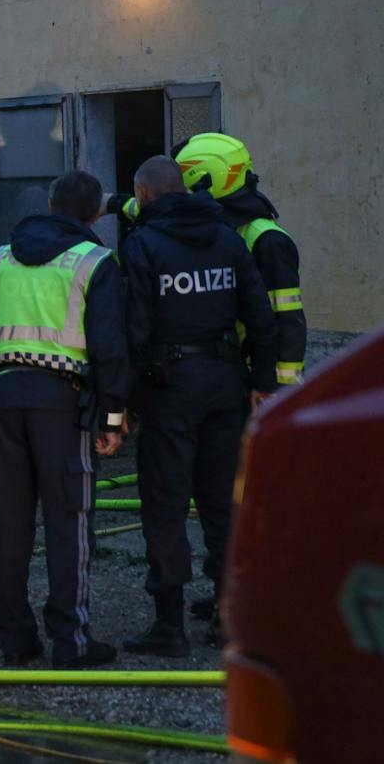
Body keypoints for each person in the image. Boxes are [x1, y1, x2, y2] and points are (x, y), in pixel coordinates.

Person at [0, 170, 131, 668]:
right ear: (96, 212)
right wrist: (114, 417)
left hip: (3, 400)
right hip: (62, 405)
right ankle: (71, 642)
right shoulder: (95, 261)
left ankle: (14, 640)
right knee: (68, 521)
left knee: (11, 523)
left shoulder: (0, 259)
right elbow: (110, 347)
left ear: (50, 203)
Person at [120, 156, 276, 657]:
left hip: (170, 388)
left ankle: (169, 625)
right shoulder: (227, 237)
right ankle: (231, 617)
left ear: (143, 194)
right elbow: (260, 313)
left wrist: (128, 400)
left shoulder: (143, 244)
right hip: (226, 382)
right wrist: (261, 380)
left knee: (165, 505)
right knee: (222, 502)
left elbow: (135, 329)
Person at [175, 133, 305, 390]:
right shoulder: (231, 226)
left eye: (185, 187)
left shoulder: (267, 240)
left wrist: (275, 390)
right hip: (235, 372)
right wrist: (114, 203)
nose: (183, 196)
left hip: (263, 383)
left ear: (205, 182)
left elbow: (288, 321)